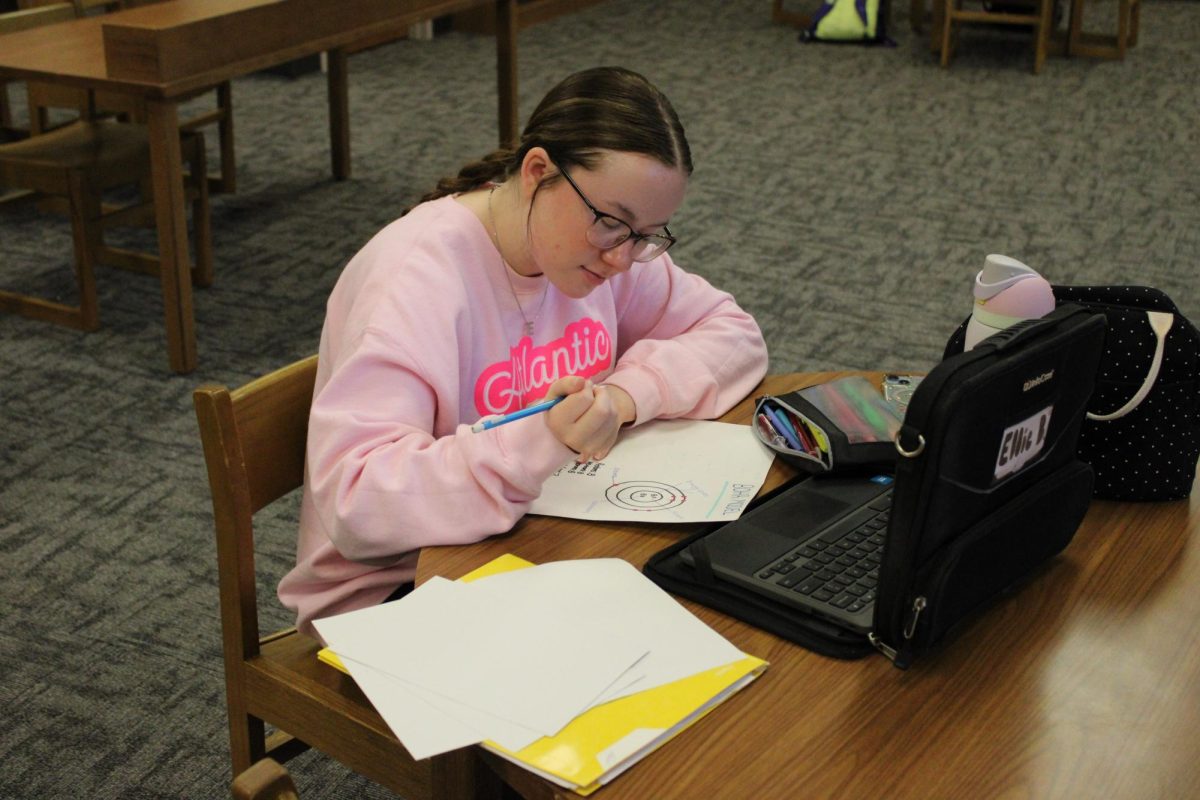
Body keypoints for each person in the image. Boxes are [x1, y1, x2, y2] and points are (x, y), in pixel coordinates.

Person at [280, 66, 768, 637]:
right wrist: (541, 440)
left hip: (524, 544)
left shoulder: (603, 258)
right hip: (390, 596)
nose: (622, 257)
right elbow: (357, 502)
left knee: (724, 610)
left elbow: (733, 334)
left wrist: (623, 395)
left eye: (647, 235)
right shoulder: (414, 277)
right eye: (612, 223)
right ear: (538, 173)